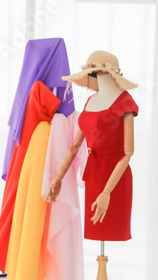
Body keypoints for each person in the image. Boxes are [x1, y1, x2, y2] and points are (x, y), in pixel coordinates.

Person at [45, 50, 138, 242]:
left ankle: (104, 270)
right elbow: (75, 146)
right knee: (96, 232)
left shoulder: (125, 102)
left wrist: (107, 192)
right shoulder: (91, 101)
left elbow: (128, 154)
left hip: (115, 179)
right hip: (95, 175)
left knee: (110, 230)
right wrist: (59, 177)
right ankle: (100, 270)